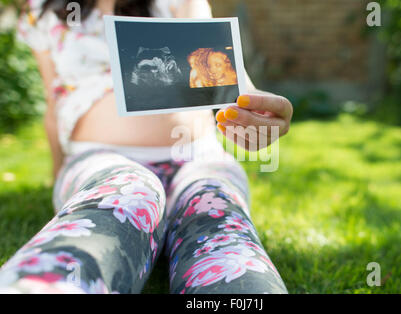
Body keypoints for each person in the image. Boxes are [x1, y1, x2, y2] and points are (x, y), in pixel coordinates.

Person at [0, 0, 293, 294]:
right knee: (127, 193)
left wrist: (257, 111)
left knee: (216, 211)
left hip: (199, 158)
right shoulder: (43, 10)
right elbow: (54, 105)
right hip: (102, 159)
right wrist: (60, 177)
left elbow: (229, 79)